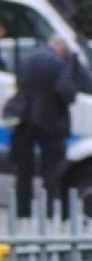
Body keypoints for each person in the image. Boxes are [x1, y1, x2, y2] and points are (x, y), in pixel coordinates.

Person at [9, 35, 91, 218]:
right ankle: (50, 212)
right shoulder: (60, 63)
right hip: (51, 123)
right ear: (62, 48)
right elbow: (66, 92)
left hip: (24, 121)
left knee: (23, 172)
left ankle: (23, 212)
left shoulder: (27, 59)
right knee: (52, 172)